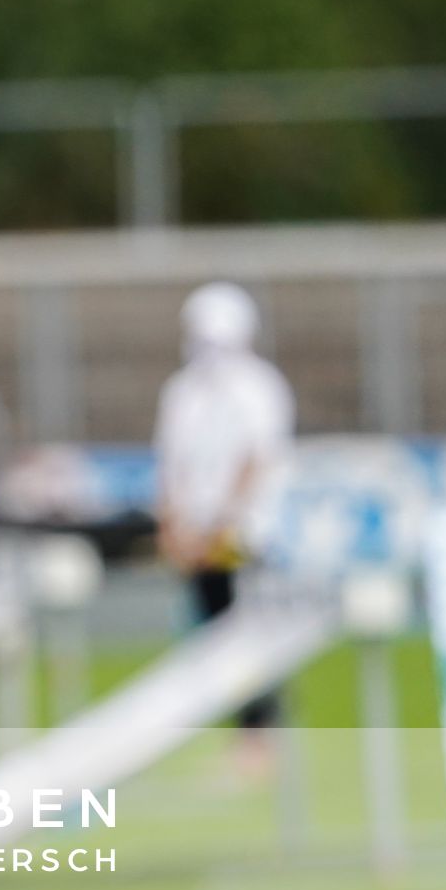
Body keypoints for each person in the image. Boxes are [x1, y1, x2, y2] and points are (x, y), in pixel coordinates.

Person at [154, 282, 294, 749]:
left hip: (243, 535)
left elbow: (256, 460)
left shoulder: (259, 387)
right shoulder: (181, 392)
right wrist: (175, 524)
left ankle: (260, 735)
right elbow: (172, 464)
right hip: (197, 537)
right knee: (212, 630)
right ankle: (241, 733)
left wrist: (219, 526)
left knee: (247, 631)